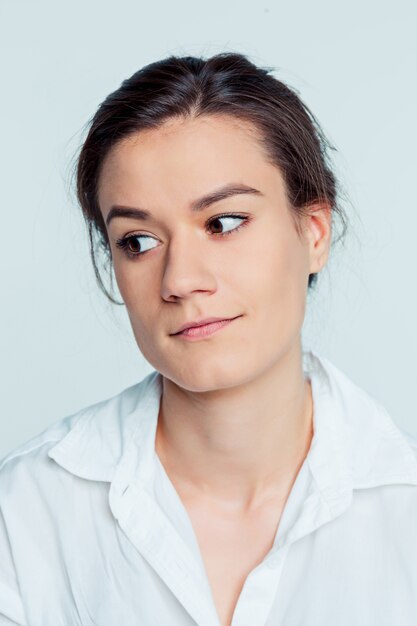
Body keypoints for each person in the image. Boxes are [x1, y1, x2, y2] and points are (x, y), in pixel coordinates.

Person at [1, 52, 417, 626]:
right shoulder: (27, 513)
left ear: (314, 232)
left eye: (223, 223)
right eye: (138, 241)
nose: (179, 281)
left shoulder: (404, 510)